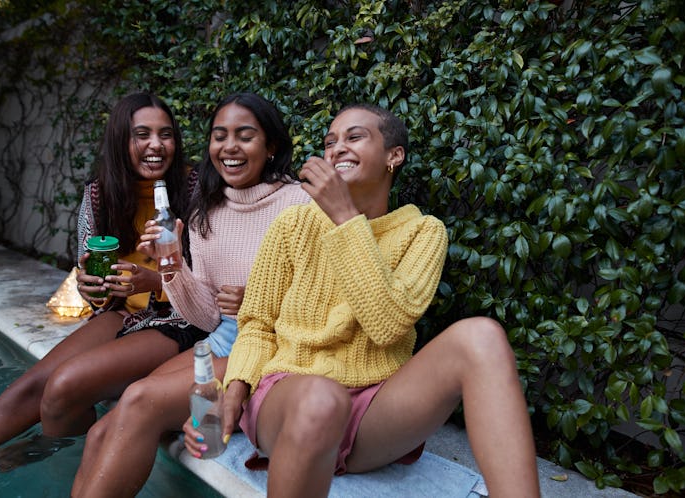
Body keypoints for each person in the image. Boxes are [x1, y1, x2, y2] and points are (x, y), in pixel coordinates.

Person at [185, 103, 541, 498]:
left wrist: (344, 219)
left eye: (354, 137)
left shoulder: (423, 232)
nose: (337, 148)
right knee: (322, 398)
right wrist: (235, 390)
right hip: (291, 396)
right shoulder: (293, 225)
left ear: (394, 155)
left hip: (373, 410)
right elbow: (257, 323)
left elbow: (387, 324)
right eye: (330, 141)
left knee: (483, 336)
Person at [0, 93, 203, 477]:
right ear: (120, 140)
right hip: (125, 313)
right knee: (31, 385)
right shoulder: (100, 194)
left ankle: (49, 446)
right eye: (142, 135)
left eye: (165, 135)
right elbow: (94, 282)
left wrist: (154, 281)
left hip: (181, 318)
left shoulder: (198, 189)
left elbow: (213, 282)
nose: (156, 145)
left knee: (65, 385)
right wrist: (91, 288)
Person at [70, 92, 311, 497]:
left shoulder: (300, 203)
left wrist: (256, 302)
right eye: (220, 136)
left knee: (142, 399)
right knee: (101, 430)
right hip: (221, 338)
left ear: (271, 146)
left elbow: (318, 299)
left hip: (269, 346)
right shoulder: (206, 210)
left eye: (244, 135)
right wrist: (172, 267)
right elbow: (205, 317)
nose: (229, 147)